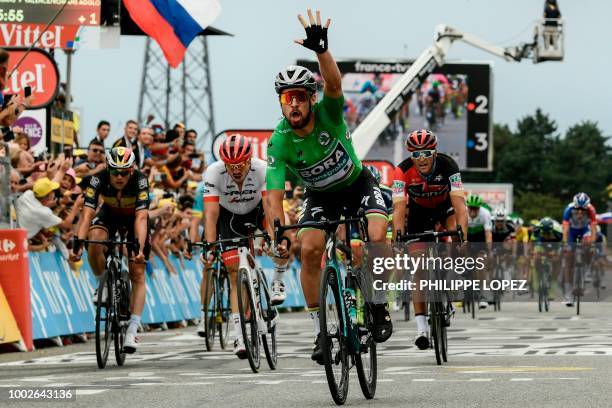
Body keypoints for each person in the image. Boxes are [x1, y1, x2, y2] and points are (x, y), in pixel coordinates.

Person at [266, 9, 393, 366]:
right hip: (321, 195)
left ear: (310, 98)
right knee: (308, 250)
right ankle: (321, 330)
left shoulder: (329, 114)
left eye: (299, 97)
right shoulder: (278, 142)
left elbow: (334, 84)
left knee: (376, 234)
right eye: (286, 98)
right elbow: (273, 197)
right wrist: (277, 230)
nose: (293, 104)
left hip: (357, 184)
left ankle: (378, 305)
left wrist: (322, 51)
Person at [201, 134, 284, 357]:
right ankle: (239, 334)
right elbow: (210, 215)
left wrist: (271, 237)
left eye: (239, 164)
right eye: (230, 165)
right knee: (234, 272)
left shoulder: (262, 169)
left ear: (248, 160)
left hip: (257, 211)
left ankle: (277, 283)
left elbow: (269, 206)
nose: (235, 169)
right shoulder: (213, 173)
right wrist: (209, 246)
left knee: (281, 238)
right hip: (229, 216)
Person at [70, 147, 150, 354]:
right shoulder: (97, 179)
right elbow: (87, 215)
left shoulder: (140, 180)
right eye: (115, 171)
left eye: (125, 172)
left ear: (132, 170)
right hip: (110, 215)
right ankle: (102, 283)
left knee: (137, 271)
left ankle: (132, 328)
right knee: (95, 240)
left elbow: (142, 218)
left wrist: (140, 248)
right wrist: (77, 244)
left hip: (134, 219)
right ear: (108, 168)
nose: (120, 176)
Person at [392, 129, 468, 349]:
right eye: (416, 154)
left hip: (446, 208)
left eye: (426, 153)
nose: (421, 159)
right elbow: (398, 208)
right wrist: (397, 235)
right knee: (419, 269)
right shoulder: (402, 171)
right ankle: (422, 328)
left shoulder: (448, 166)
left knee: (454, 231)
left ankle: (453, 272)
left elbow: (460, 206)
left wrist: (462, 237)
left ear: (435, 152)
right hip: (419, 213)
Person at [16, 177, 84, 241]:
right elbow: (66, 225)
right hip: (22, 240)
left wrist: (60, 201)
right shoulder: (44, 212)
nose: (54, 192)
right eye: (53, 191)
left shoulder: (28, 194)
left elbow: (42, 204)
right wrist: (76, 205)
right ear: (49, 195)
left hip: (16, 228)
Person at [561, 192, 597, 306]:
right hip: (572, 232)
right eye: (578, 210)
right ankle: (568, 294)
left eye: (583, 210)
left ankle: (587, 269)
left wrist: (593, 243)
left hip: (584, 231)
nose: (580, 212)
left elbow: (593, 229)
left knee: (589, 245)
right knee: (568, 260)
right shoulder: (568, 210)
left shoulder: (591, 210)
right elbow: (565, 230)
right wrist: (566, 244)